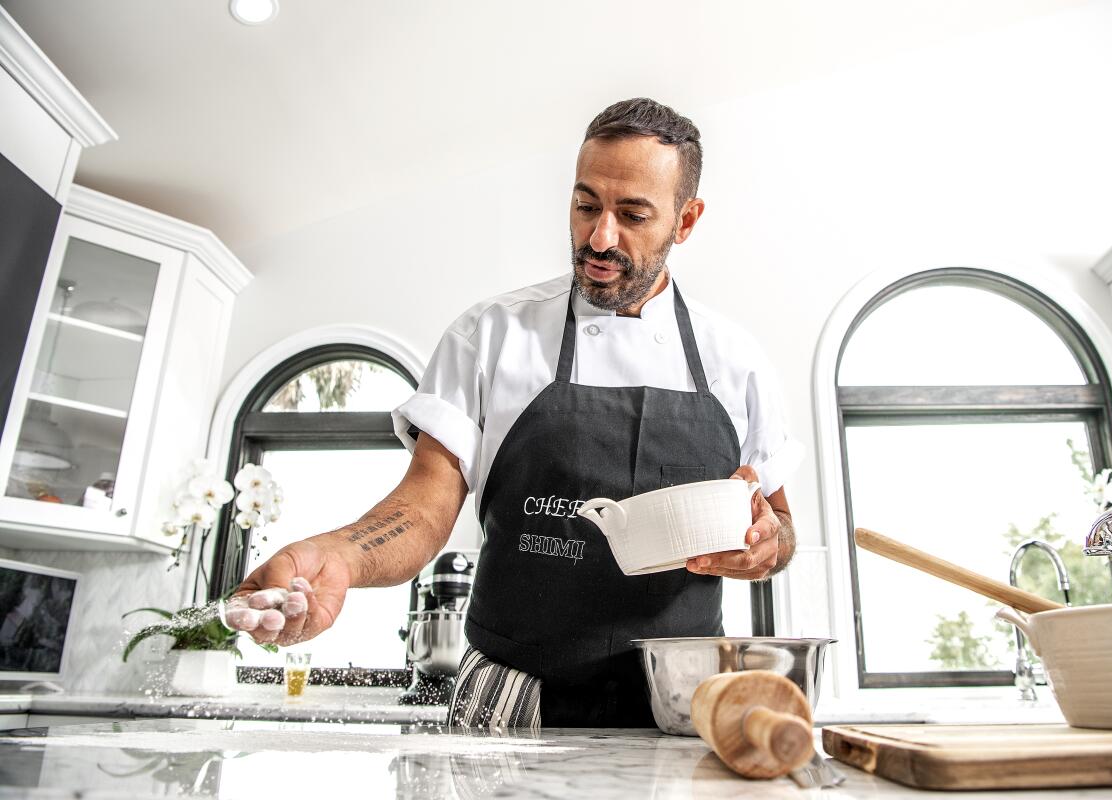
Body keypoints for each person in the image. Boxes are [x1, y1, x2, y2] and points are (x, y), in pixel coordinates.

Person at [228, 97, 803, 727]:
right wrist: (338, 557)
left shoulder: (736, 361)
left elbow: (776, 525)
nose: (600, 238)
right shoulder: (491, 336)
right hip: (511, 695)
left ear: (685, 221)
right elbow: (421, 509)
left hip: (684, 700)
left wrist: (764, 548)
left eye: (633, 215)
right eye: (586, 205)